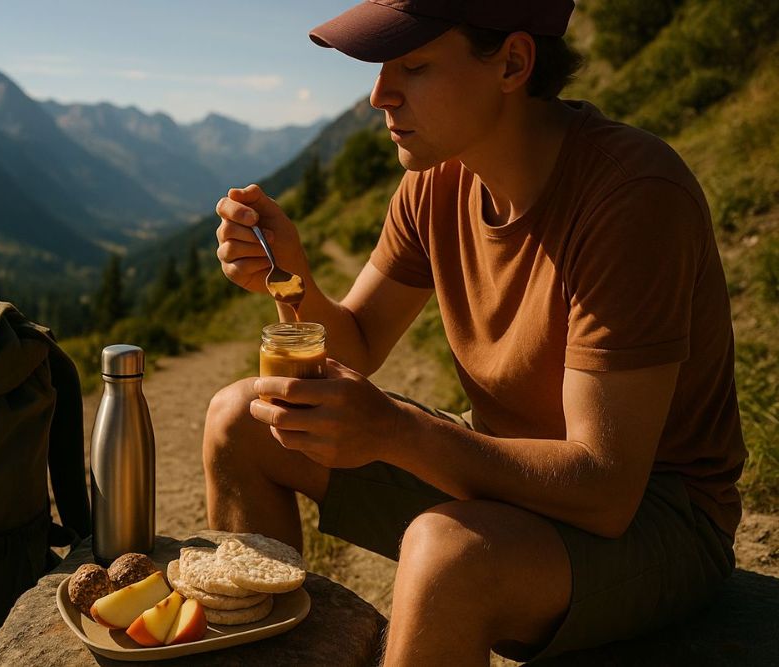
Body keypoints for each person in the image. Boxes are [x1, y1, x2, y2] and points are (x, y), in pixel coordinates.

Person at [203, 1, 746, 664]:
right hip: (505, 472)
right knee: (242, 416)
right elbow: (359, 344)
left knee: (448, 553)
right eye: (381, 68)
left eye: (415, 65)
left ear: (513, 62)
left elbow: (605, 488)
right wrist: (290, 280)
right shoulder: (436, 181)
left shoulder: (632, 195)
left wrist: (396, 429)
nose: (380, 94)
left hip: (658, 518)